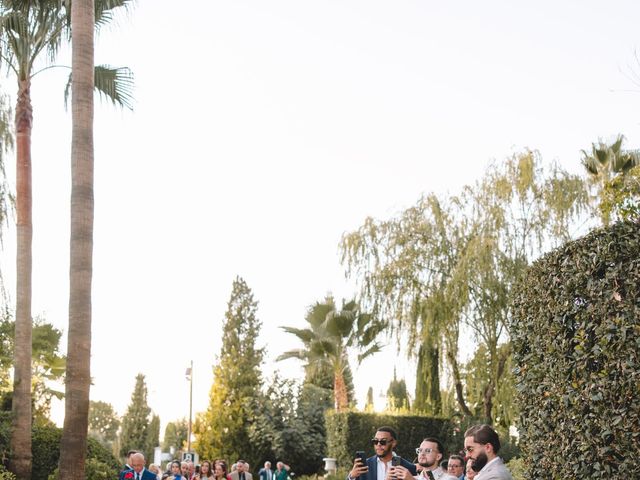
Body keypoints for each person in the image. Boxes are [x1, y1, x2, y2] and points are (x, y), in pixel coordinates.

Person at [347, 426, 417, 480]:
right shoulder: (364, 466)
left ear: (393, 443)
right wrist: (351, 477)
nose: (378, 444)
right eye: (375, 441)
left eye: (383, 441)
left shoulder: (408, 467)